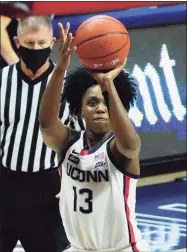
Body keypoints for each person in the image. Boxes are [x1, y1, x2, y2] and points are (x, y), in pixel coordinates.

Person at [39, 23, 150, 252]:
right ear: (80, 110)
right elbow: (47, 123)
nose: (100, 108)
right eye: (92, 103)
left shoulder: (119, 149)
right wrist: (60, 68)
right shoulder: (68, 143)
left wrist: (108, 83)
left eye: (106, 102)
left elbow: (130, 144)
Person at [0, 16, 70, 252]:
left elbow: (79, 141)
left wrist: (71, 180)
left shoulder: (67, 86)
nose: (36, 49)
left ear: (52, 43)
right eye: (30, 44)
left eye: (42, 44)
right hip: (5, 183)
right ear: (17, 42)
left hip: (47, 190)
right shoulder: (2, 80)